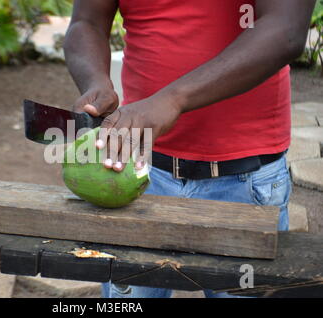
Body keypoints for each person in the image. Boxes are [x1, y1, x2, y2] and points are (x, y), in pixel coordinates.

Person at [63, 0, 316, 298]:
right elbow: (87, 22)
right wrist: (95, 81)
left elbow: (285, 31)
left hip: (244, 183)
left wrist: (172, 100)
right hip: (137, 171)